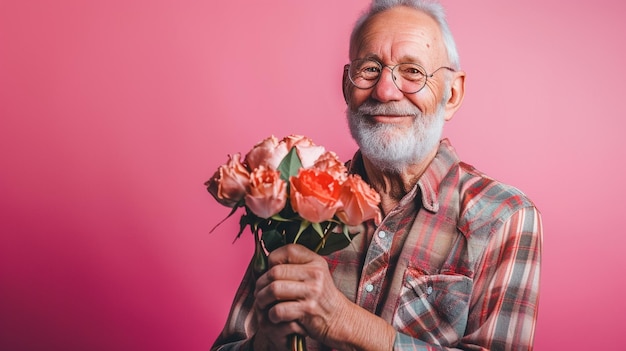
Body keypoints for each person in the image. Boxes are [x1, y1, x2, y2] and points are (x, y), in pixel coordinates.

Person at [212, 0, 542, 350]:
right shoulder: (296, 200)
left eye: (413, 71)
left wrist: (342, 320)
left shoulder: (504, 217)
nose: (385, 91)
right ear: (346, 85)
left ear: (452, 94)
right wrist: (266, 343)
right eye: (369, 69)